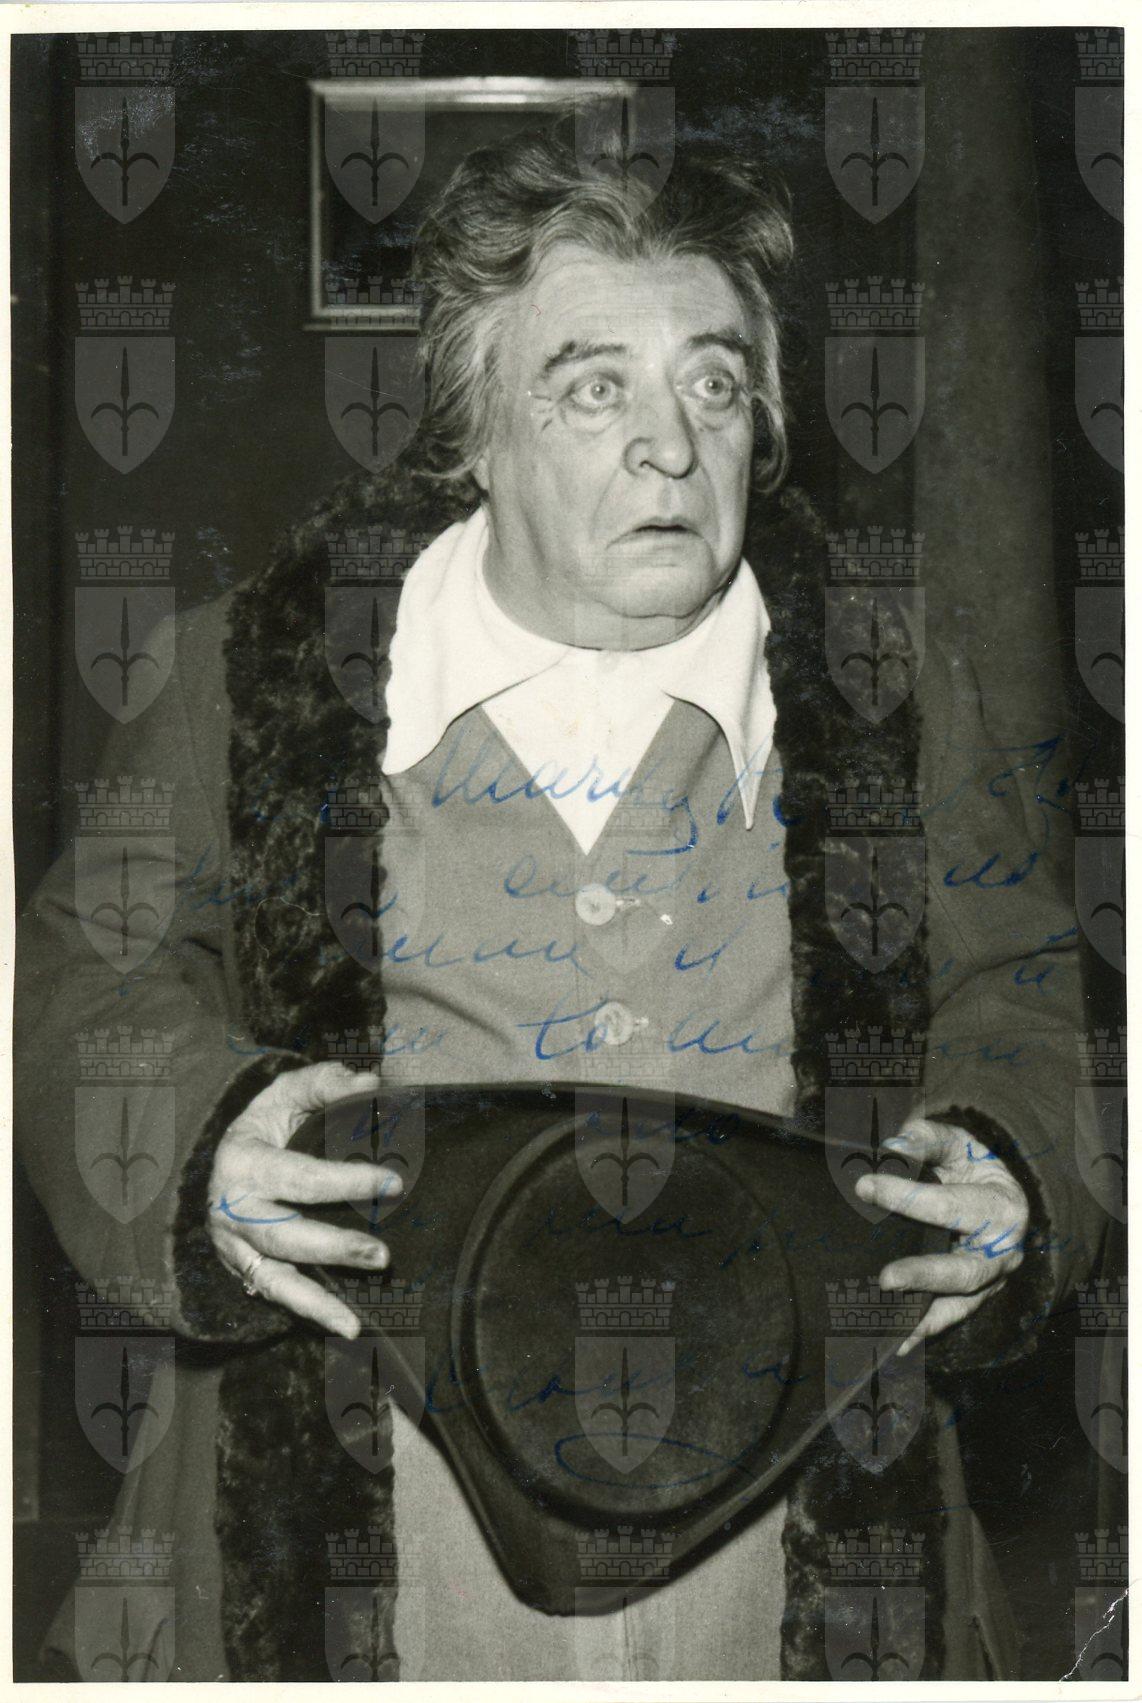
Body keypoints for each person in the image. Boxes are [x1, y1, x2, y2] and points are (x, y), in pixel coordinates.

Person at [16, 113, 1099, 1682]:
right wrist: (197, 1146)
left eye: (712, 386)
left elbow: (1023, 988)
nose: (670, 445)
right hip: (369, 1548)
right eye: (594, 388)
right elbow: (83, 979)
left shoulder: (892, 696)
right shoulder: (245, 676)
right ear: (474, 433)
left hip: (784, 1556)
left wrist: (1016, 1163)